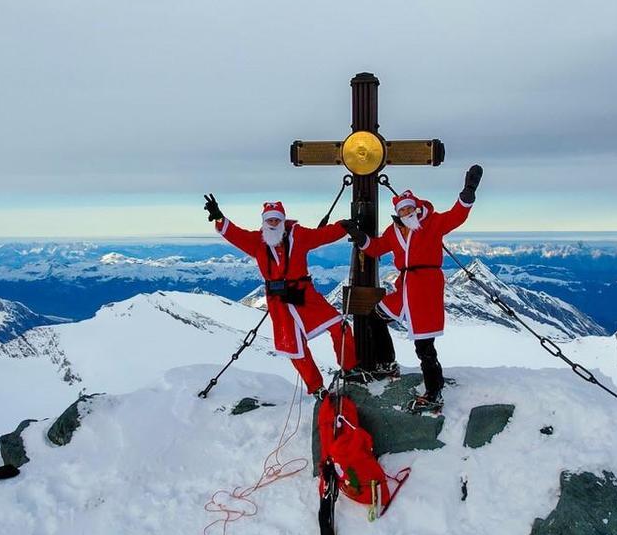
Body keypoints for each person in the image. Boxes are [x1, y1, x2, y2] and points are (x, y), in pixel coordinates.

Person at [204, 195, 366, 399]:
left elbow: (322, 235)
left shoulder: (298, 235)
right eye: (269, 220)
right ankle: (316, 387)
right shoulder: (256, 241)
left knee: (338, 326)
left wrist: (344, 227)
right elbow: (235, 234)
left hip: (305, 295)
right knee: (294, 347)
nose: (273, 224)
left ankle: (349, 367)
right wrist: (220, 218)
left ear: (283, 220)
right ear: (264, 222)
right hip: (278, 301)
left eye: (276, 220)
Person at [360, 164, 483, 412]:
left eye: (409, 207)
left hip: (425, 288)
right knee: (375, 315)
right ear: (397, 212)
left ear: (416, 208)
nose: (406, 211)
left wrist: (467, 195)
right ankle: (386, 362)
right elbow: (376, 248)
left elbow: (455, 216)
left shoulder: (433, 223)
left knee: (424, 345)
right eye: (402, 209)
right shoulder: (393, 231)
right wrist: (360, 238)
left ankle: (434, 392)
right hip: (404, 287)